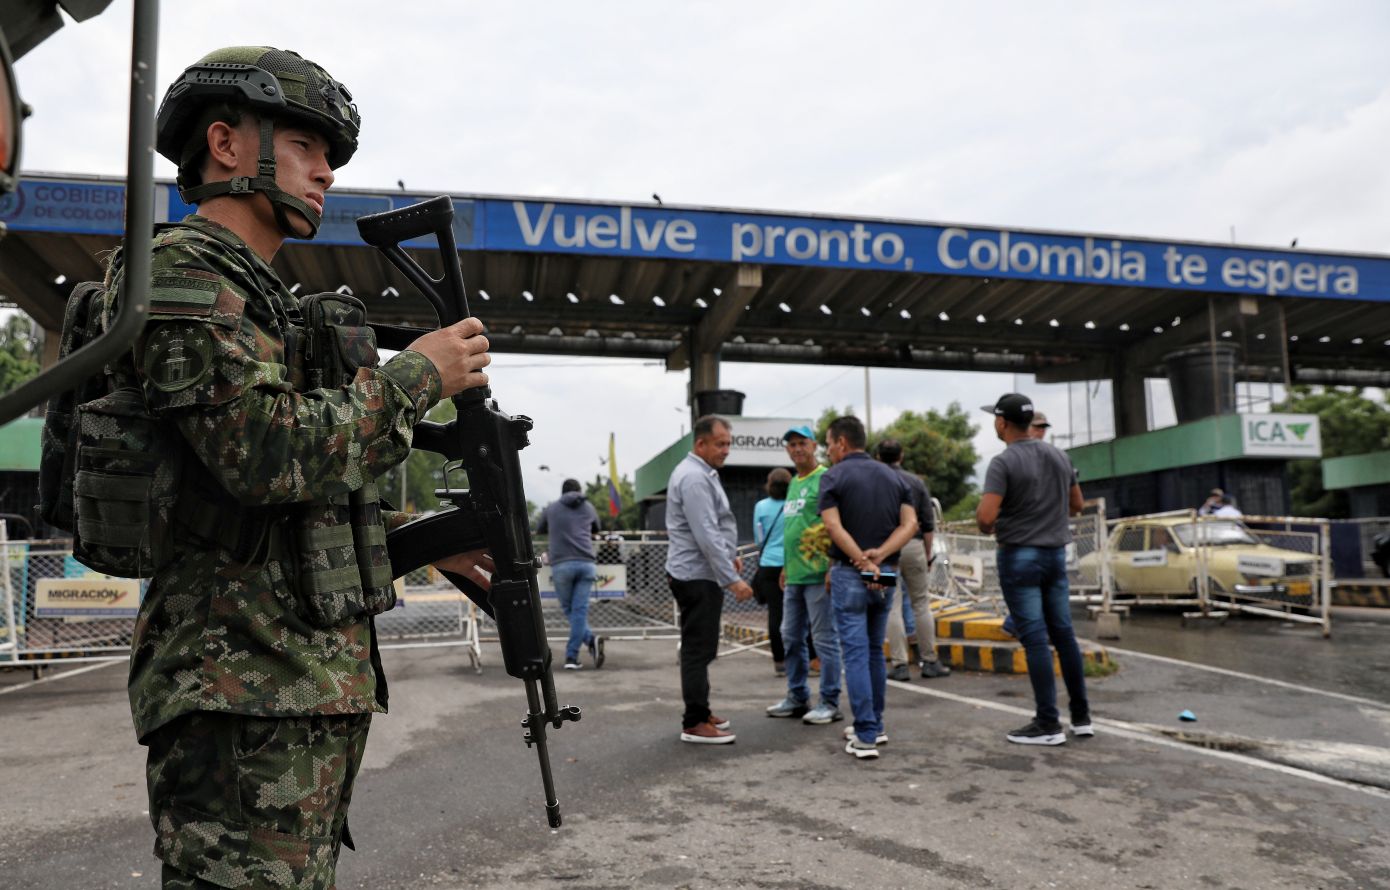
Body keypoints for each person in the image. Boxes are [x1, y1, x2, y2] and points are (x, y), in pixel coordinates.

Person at [119, 48, 493, 888]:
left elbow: (275, 498)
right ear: (225, 143)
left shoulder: (260, 297)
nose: (327, 170)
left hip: (286, 685)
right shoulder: (180, 274)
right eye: (305, 145)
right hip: (237, 689)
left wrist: (420, 537)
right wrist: (417, 377)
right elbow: (259, 450)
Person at [976, 393, 1093, 746]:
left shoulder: (1003, 463)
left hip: (1019, 557)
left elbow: (985, 518)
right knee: (1064, 634)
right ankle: (1082, 717)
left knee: (1035, 639)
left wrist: (1001, 523)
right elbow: (1077, 504)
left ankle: (1047, 723)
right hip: (1055, 555)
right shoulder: (1059, 455)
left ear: (1001, 423)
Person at [819, 416, 917, 760]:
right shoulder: (895, 477)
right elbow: (911, 524)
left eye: (829, 444)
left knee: (857, 653)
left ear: (842, 443)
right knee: (876, 650)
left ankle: (864, 736)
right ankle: (875, 723)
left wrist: (861, 561)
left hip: (850, 572)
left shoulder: (833, 477)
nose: (828, 451)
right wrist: (881, 557)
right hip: (886, 572)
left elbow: (833, 526)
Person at [665, 414, 754, 744]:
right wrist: (731, 578)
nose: (726, 450)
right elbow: (705, 535)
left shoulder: (703, 474)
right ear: (700, 443)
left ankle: (701, 710)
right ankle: (694, 721)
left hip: (701, 573)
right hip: (696, 575)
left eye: (728, 443)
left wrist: (729, 558)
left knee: (702, 648)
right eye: (720, 444)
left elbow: (715, 530)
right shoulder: (694, 478)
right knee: (697, 650)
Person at [765, 424, 842, 727]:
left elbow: (835, 524)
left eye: (802, 443)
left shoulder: (826, 478)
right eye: (791, 444)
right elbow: (793, 529)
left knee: (823, 640)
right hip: (794, 576)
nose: (797, 449)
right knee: (790, 636)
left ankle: (830, 701)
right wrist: (786, 566)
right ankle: (797, 697)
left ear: (814, 446)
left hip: (818, 573)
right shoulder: (794, 482)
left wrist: (832, 565)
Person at [875, 439, 951, 681]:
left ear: (877, 456)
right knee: (920, 602)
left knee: (891, 605)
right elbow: (928, 524)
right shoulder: (916, 482)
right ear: (902, 455)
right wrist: (927, 555)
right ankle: (929, 661)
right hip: (914, 545)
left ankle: (899, 665)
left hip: (884, 549)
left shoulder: (874, 482)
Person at [537, 478, 606, 670]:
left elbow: (540, 528)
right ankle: (591, 641)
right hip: (586, 563)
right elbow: (597, 529)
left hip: (561, 565)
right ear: (580, 490)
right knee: (578, 611)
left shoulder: (551, 508)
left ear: (562, 491)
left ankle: (572, 656)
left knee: (571, 610)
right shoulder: (589, 507)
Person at [752, 467, 791, 674]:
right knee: (796, 613)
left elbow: (759, 538)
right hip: (792, 565)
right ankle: (804, 656)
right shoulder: (793, 505)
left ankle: (779, 661)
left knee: (774, 614)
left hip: (768, 565)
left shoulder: (760, 506)